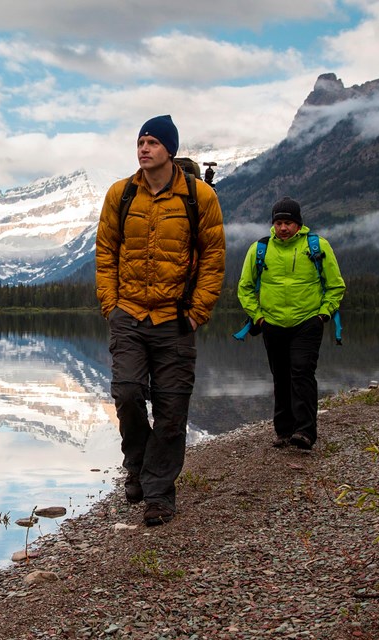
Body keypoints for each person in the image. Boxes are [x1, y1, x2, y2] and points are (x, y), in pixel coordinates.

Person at [95, 115, 225, 526]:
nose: (144, 148)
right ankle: (137, 465)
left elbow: (213, 258)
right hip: (129, 315)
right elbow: (105, 252)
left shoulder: (198, 197)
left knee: (171, 410)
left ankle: (158, 496)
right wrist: (111, 306)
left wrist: (197, 312)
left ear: (170, 149)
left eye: (152, 142)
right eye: (140, 141)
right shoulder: (121, 194)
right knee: (128, 394)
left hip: (175, 319)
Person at [237, 196, 345, 451]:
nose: (283, 228)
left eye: (288, 222)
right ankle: (284, 431)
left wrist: (323, 315)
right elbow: (245, 287)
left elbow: (336, 285)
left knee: (302, 372)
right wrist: (258, 317)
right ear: (273, 224)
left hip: (307, 322)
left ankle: (305, 432)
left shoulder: (317, 246)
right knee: (281, 376)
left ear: (298, 224)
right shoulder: (259, 249)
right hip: (271, 324)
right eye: (278, 222)